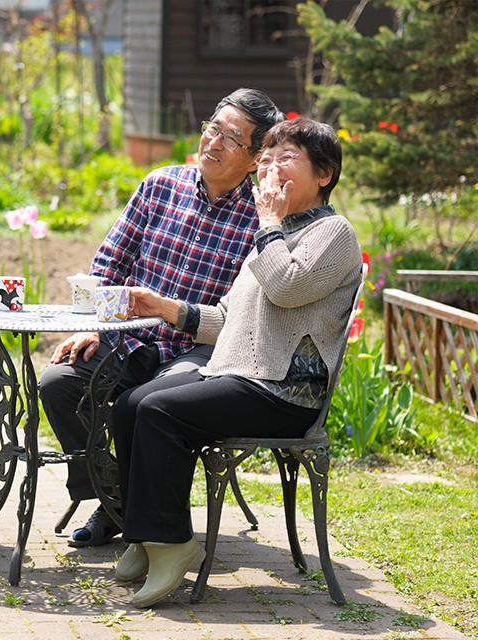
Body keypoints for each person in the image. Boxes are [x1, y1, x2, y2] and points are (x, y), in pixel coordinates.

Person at [110, 117, 362, 608]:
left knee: (161, 412)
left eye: (284, 160)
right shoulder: (276, 235)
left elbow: (288, 287)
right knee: (132, 403)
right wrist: (166, 307)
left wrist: (267, 228)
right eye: (264, 161)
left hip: (285, 392)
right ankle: (144, 534)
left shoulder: (333, 233)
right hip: (243, 378)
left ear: (324, 174)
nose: (269, 170)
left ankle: (174, 544)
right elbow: (227, 318)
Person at [38, 88, 285, 547]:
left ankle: (127, 513)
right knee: (58, 383)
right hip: (127, 339)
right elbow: (108, 263)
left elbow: (245, 314)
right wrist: (91, 324)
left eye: (232, 138)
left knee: (146, 405)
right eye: (213, 128)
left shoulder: (261, 221)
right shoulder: (159, 185)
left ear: (253, 160)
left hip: (197, 351)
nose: (213, 142)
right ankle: (112, 495)